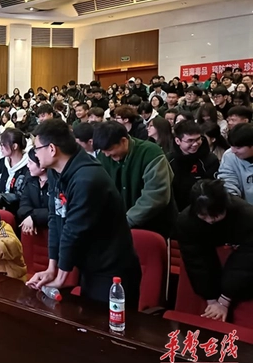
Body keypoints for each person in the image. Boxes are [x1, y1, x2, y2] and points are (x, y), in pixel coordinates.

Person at [26, 120, 141, 307]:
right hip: (89, 266)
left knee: (106, 323)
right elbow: (55, 218)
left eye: (37, 148)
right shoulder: (56, 171)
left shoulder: (87, 179)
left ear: (52, 149)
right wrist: (51, 268)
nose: (35, 154)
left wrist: (61, 278)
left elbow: (74, 230)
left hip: (112, 271)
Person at [177, 180, 253, 322]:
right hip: (209, 259)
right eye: (203, 216)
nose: (210, 220)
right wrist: (211, 301)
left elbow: (246, 262)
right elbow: (197, 262)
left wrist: (224, 300)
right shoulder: (186, 222)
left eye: (215, 215)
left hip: (244, 265)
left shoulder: (247, 216)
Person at [94, 121, 177, 238]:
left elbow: (156, 196)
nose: (107, 155)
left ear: (123, 141)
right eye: (103, 151)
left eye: (110, 149)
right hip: (120, 226)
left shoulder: (151, 154)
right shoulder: (103, 156)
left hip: (153, 226)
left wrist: (126, 221)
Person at [167, 120, 219, 212]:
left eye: (198, 139)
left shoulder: (210, 160)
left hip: (202, 209)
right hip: (175, 210)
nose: (195, 144)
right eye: (190, 141)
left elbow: (213, 190)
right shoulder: (169, 160)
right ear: (178, 141)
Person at [0, 129, 28, 213]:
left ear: (14, 146)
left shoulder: (29, 166)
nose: (1, 148)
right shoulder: (2, 162)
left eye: (3, 145)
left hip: (18, 211)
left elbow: (22, 194)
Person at [218, 123, 253, 204]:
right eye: (231, 146)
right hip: (243, 208)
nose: (233, 151)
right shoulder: (229, 156)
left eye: (238, 148)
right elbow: (227, 185)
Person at [17, 148, 49, 234]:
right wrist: (30, 217)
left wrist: (33, 217)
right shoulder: (30, 180)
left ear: (42, 166)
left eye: (30, 162)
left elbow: (54, 211)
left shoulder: (56, 184)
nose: (27, 166)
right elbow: (23, 207)